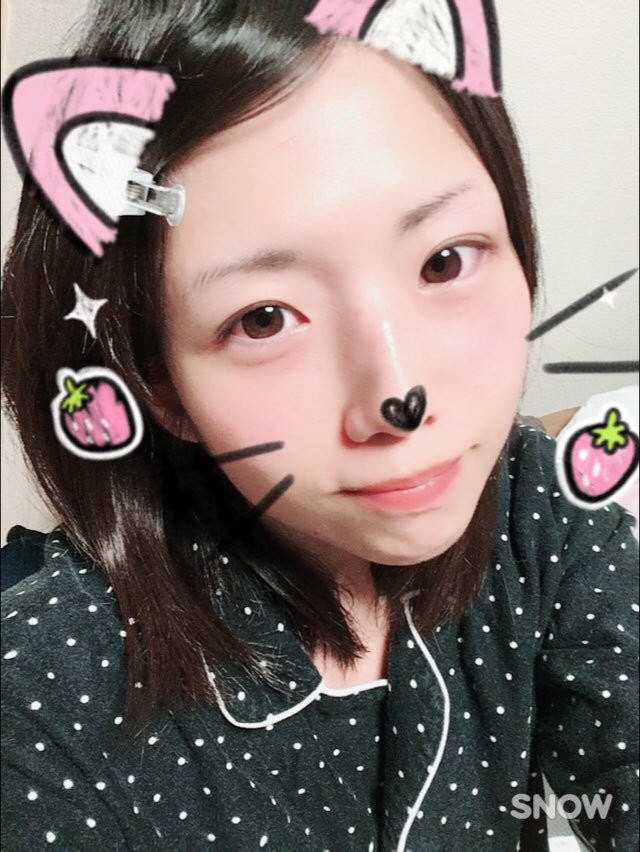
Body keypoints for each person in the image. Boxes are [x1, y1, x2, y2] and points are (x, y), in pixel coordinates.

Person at [1, 2, 637, 850]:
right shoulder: (43, 703)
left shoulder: (539, 508)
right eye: (264, 319)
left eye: (444, 261)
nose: (400, 395)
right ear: (159, 387)